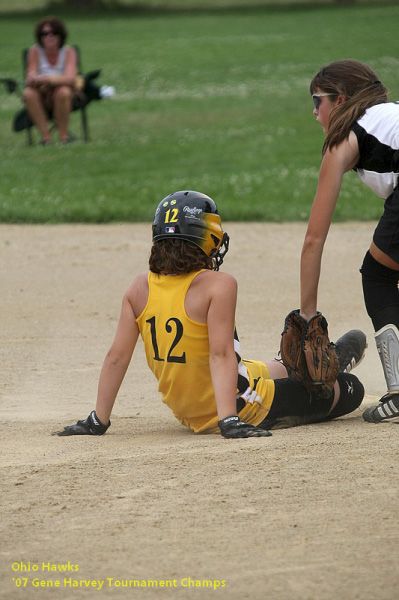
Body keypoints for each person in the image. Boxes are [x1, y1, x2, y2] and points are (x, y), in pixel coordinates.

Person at [56, 190, 366, 440]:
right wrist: (229, 420)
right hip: (237, 407)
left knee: (276, 367)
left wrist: (98, 419)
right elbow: (219, 356)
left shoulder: (138, 287)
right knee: (351, 389)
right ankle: (336, 364)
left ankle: (329, 359)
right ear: (206, 239)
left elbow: (116, 358)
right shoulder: (220, 284)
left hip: (188, 410)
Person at [299, 59, 399, 424]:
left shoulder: (343, 138)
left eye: (317, 100)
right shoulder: (387, 117)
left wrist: (307, 315)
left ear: (340, 100)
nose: (314, 112)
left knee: (378, 274)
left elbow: (314, 238)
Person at [23, 16, 78, 145]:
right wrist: (33, 78)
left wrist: (47, 79)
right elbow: (31, 74)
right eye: (44, 34)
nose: (49, 37)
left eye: (54, 33)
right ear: (40, 37)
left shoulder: (69, 52)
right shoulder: (35, 51)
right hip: (41, 94)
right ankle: (46, 138)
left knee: (63, 91)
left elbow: (70, 79)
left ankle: (63, 136)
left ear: (61, 35)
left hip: (64, 95)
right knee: (28, 93)